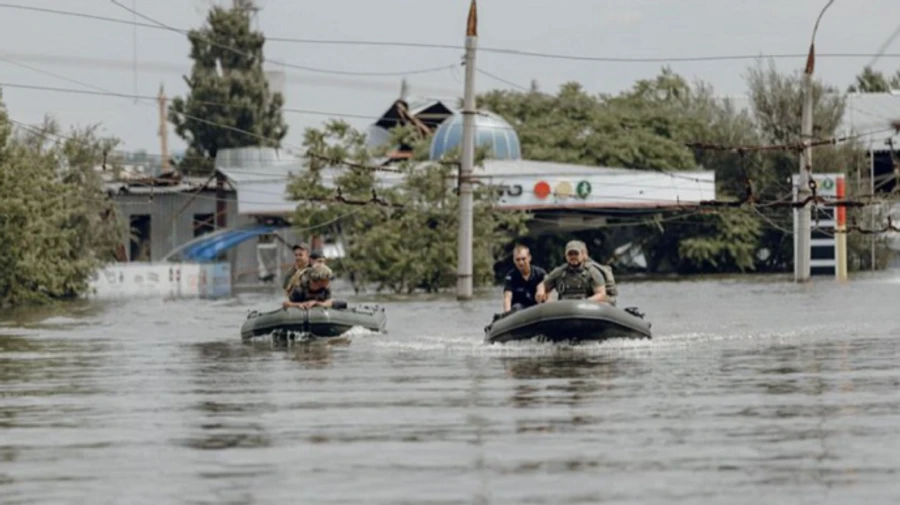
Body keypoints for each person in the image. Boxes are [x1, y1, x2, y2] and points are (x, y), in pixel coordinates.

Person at [535, 240, 610, 304]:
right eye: (570, 254)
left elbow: (601, 294)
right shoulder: (559, 272)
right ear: (566, 255)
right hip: (565, 309)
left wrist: (585, 302)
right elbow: (543, 284)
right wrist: (540, 290)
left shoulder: (592, 272)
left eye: (576, 254)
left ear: (582, 254)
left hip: (587, 307)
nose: (573, 257)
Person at [502, 244, 547, 313]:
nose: (521, 262)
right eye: (518, 260)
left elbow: (548, 294)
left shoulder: (540, 273)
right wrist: (507, 313)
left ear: (529, 258)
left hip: (537, 307)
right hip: (519, 310)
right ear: (514, 260)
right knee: (517, 307)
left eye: (523, 259)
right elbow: (507, 297)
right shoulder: (510, 276)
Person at [578, 241, 618, 306]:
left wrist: (584, 302)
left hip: (600, 302)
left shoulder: (594, 270)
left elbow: (603, 294)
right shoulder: (564, 270)